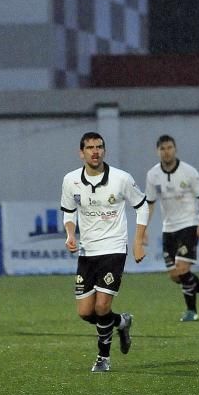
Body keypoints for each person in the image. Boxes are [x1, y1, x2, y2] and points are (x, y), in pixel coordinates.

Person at [60, 131, 149, 373]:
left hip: (113, 249)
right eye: (90, 147)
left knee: (101, 307)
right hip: (87, 252)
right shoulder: (70, 180)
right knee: (85, 312)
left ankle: (103, 358)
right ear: (81, 153)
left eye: (99, 147)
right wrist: (70, 234)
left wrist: (138, 241)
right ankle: (122, 322)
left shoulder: (121, 179)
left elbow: (142, 206)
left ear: (104, 151)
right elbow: (68, 211)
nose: (95, 151)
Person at [139, 134, 199, 322]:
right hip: (169, 228)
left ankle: (192, 311)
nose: (166, 152)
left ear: (175, 149)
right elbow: (149, 203)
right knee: (175, 275)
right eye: (163, 149)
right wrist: (143, 229)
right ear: (157, 151)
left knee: (182, 269)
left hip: (189, 224)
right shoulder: (153, 175)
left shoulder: (188, 172)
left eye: (169, 148)